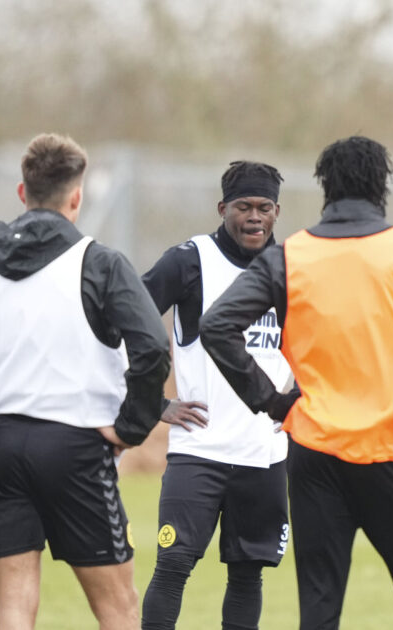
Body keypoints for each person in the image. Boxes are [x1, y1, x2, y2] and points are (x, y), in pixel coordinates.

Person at [199, 136, 393, 630]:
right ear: (382, 186)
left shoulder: (289, 256)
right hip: (389, 450)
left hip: (314, 453)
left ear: (325, 188)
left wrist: (273, 403)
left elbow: (217, 326)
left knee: (320, 609)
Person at [0, 133, 170, 629]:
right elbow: (153, 348)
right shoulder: (101, 264)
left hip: (3, 446)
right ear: (77, 197)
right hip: (77, 446)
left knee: (14, 609)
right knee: (118, 609)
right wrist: (132, 427)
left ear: (21, 192)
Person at [139, 161, 294, 630]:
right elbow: (128, 325)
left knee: (248, 578)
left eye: (264, 208)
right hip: (198, 451)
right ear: (222, 208)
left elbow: (325, 345)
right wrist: (153, 404)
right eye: (243, 207)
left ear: (277, 211)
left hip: (264, 453)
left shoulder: (293, 268)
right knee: (171, 569)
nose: (254, 218)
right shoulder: (189, 261)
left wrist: (300, 403)